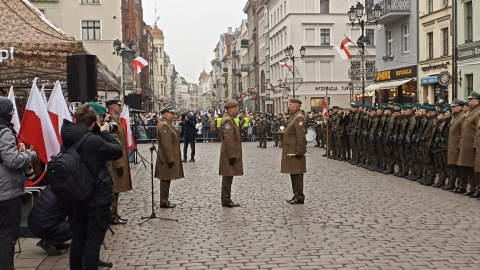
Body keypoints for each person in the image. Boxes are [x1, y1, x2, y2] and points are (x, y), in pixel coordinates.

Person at [62, 104, 123, 270]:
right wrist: (104, 132)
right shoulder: (93, 141)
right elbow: (117, 151)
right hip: (96, 198)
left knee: (79, 238)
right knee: (93, 241)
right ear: (92, 123)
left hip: (77, 195)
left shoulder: (68, 139)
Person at [0, 97, 38, 270]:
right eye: (11, 110)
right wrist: (30, 155)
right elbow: (12, 161)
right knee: (7, 235)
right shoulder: (4, 131)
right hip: (5, 190)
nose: (13, 113)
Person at [103, 100, 133, 226]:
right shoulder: (110, 122)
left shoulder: (115, 119)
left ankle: (114, 214)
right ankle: (112, 215)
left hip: (119, 158)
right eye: (119, 105)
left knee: (117, 189)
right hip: (115, 161)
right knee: (115, 188)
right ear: (113, 107)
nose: (120, 108)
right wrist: (118, 163)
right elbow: (112, 144)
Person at [27, 185, 71, 256]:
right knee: (78, 226)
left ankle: (57, 243)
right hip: (43, 226)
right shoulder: (64, 193)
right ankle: (49, 242)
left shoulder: (55, 185)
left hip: (34, 223)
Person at [155, 105, 184, 209]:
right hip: (166, 158)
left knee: (166, 179)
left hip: (166, 157)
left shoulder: (166, 124)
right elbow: (166, 144)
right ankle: (164, 200)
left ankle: (165, 199)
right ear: (165, 114)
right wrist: (171, 159)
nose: (173, 115)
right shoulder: (164, 125)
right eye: (171, 113)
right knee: (165, 179)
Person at [281, 98, 307, 205]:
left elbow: (301, 136)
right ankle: (296, 195)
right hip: (291, 151)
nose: (288, 106)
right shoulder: (294, 117)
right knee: (294, 174)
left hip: (296, 152)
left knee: (297, 175)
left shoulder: (298, 118)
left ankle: (299, 196)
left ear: (296, 106)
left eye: (290, 104)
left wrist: (300, 151)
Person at [219, 101, 243, 208]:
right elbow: (228, 140)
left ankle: (226, 198)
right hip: (229, 154)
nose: (236, 110)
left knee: (229, 176)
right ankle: (226, 199)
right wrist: (232, 155)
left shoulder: (229, 119)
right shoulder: (227, 121)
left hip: (229, 153)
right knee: (227, 176)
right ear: (231, 109)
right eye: (235, 108)